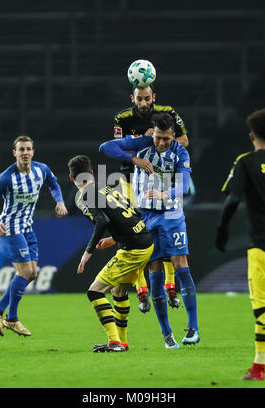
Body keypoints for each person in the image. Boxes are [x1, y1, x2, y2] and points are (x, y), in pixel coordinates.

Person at [100, 112, 200, 347]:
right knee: (154, 270)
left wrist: (167, 193)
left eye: (166, 138)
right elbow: (105, 147)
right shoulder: (141, 144)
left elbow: (185, 185)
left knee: (180, 264)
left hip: (172, 214)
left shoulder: (180, 152)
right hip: (145, 215)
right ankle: (167, 334)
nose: (161, 143)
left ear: (173, 135)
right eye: (157, 137)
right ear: (152, 133)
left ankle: (193, 327)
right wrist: (134, 160)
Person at [0, 135, 68, 336]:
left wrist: (60, 201)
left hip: (28, 227)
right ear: (15, 153)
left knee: (33, 274)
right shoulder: (5, 178)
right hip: (10, 228)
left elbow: (54, 184)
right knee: (25, 272)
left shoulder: (41, 169)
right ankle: (11, 318)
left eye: (28, 149)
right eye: (21, 150)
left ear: (33, 152)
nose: (25, 153)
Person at [215, 108, 265, 381]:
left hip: (264, 244)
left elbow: (232, 199)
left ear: (251, 136)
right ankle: (258, 368)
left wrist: (222, 229)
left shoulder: (246, 162)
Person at [113, 85, 189, 313]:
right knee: (136, 237)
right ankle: (142, 290)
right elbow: (116, 150)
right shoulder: (121, 118)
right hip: (130, 181)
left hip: (164, 178)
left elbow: (184, 139)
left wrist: (159, 142)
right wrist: (138, 151)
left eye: (147, 99)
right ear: (132, 98)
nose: (143, 103)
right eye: (139, 99)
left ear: (154, 97)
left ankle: (170, 286)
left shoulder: (167, 113)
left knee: (166, 235)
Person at [68, 155, 154, 352]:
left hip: (133, 249)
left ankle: (114, 342)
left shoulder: (84, 196)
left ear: (72, 178)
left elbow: (103, 221)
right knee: (119, 291)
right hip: (144, 240)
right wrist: (113, 239)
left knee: (95, 291)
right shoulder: (105, 187)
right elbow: (133, 213)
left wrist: (87, 252)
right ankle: (121, 342)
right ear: (91, 173)